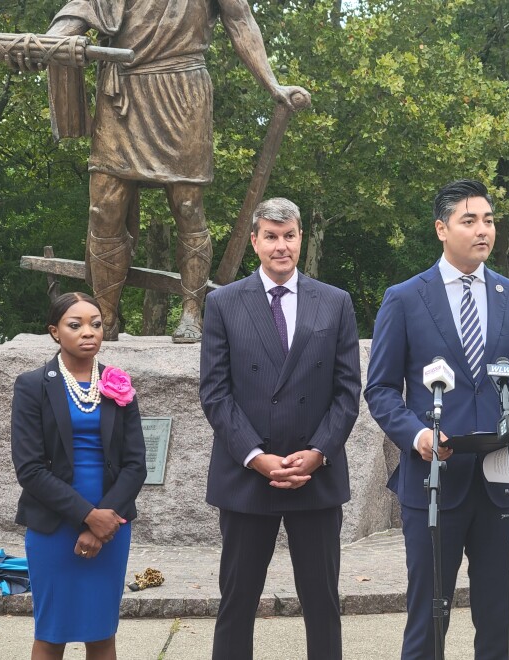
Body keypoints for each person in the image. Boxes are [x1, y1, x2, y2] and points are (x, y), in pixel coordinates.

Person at [44, 0, 309, 342]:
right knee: (103, 208)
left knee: (187, 207)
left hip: (181, 89)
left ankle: (191, 312)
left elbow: (241, 21)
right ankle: (104, 317)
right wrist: (48, 43)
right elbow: (78, 14)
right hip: (121, 93)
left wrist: (273, 84)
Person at [364, 179, 509, 659]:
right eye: (470, 221)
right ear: (442, 229)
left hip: (500, 483)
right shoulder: (405, 298)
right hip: (433, 483)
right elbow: (381, 389)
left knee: (499, 617)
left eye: (488, 220)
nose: (483, 230)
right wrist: (418, 434)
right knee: (429, 615)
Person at [199, 197, 361, 659]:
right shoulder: (224, 304)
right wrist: (256, 456)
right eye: (270, 236)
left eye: (289, 235)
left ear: (300, 238)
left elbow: (348, 391)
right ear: (254, 242)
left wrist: (319, 451)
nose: (281, 245)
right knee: (237, 602)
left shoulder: (335, 302)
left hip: (316, 475)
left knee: (322, 602)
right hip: (247, 476)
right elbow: (214, 393)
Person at [11, 292, 147, 659]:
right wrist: (89, 517)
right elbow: (30, 468)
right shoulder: (32, 385)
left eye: (97, 324)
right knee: (52, 634)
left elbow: (136, 464)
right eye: (76, 325)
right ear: (55, 332)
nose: (89, 332)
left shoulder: (119, 384)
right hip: (54, 527)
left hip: (112, 526)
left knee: (102, 634)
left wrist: (107, 517)